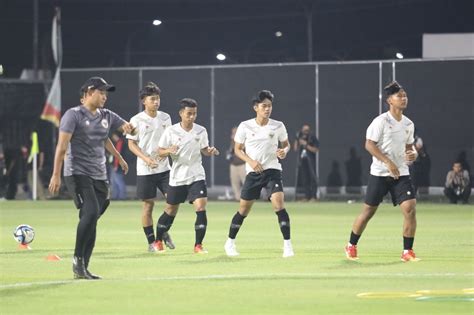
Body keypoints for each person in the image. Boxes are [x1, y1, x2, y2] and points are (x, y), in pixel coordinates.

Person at [48, 77, 135, 280]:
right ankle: (78, 261)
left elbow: (112, 133)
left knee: (92, 217)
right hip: (77, 173)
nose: (105, 96)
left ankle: (84, 267)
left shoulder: (106, 115)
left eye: (106, 93)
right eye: (101, 92)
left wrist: (121, 153)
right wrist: (56, 174)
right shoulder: (73, 115)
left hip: (99, 175)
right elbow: (61, 147)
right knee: (91, 212)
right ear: (88, 92)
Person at [344, 81, 420, 262]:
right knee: (368, 211)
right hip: (380, 173)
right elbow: (369, 144)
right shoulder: (380, 121)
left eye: (405, 95)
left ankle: (407, 251)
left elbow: (410, 147)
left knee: (410, 208)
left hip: (401, 173)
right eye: (399, 96)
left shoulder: (409, 124)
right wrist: (388, 162)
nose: (403, 98)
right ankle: (351, 245)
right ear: (389, 100)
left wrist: (414, 154)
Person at [224, 90, 294, 258]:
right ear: (256, 107)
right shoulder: (245, 126)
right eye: (264, 106)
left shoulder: (278, 125)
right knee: (243, 210)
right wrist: (251, 161)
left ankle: (288, 246)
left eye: (270, 106)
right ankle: (230, 242)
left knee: (279, 205)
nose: (267, 109)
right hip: (253, 172)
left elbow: (286, 144)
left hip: (273, 170)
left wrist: (284, 151)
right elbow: (237, 150)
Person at [155, 98, 219, 253]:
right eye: (189, 113)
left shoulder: (201, 130)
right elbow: (159, 151)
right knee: (170, 210)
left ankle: (198, 245)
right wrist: (168, 150)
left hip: (196, 175)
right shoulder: (171, 131)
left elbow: (204, 149)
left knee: (201, 206)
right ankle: (158, 241)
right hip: (178, 177)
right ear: (181, 113)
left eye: (194, 114)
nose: (192, 117)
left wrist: (209, 151)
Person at [127, 82, 175, 252]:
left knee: (173, 202)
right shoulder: (136, 120)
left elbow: (170, 139)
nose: (156, 102)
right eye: (152, 99)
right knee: (148, 205)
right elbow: (131, 145)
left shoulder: (166, 118)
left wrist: (170, 150)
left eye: (158, 98)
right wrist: (146, 159)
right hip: (145, 170)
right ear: (144, 101)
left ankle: (162, 231)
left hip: (164, 169)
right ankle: (151, 242)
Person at [293, 124, 319, 201]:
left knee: (312, 178)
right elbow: (295, 148)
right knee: (305, 178)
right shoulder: (300, 137)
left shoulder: (312, 137)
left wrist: (306, 145)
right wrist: (297, 139)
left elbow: (316, 150)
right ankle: (307, 196)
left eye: (307, 130)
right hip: (302, 160)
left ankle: (314, 196)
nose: (305, 132)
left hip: (310, 160)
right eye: (304, 130)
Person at [226, 127, 246, 201]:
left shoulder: (243, 141)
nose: (233, 134)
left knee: (245, 182)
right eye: (233, 132)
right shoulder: (232, 142)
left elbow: (242, 150)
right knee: (234, 183)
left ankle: (248, 198)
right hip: (233, 165)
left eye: (235, 132)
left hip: (242, 164)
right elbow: (231, 152)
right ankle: (238, 198)